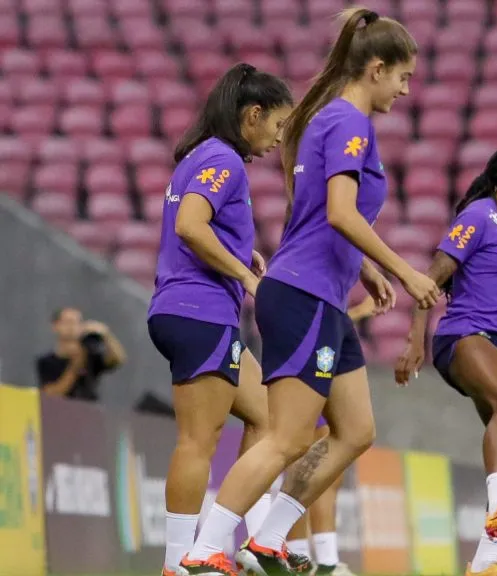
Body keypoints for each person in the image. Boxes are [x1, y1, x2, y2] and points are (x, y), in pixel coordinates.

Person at [182, 8, 439, 576]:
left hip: (321, 292)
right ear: (376, 68)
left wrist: (361, 266)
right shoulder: (349, 122)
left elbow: (315, 215)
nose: (406, 89)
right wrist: (401, 270)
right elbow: (342, 212)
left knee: (355, 431)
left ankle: (268, 540)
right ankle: (203, 551)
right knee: (287, 437)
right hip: (303, 295)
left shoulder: (327, 118)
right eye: (403, 77)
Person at [145, 62, 293, 576]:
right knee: (198, 441)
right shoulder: (223, 159)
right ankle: (176, 565)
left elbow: (197, 224)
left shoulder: (201, 156)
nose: (279, 138)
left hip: (194, 309)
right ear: (252, 115)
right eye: (277, 125)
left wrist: (240, 251)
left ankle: (239, 545)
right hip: (199, 311)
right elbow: (190, 225)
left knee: (269, 418)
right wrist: (246, 275)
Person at [395, 142, 497, 576]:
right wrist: (414, 341)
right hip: (463, 335)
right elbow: (432, 278)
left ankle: (485, 564)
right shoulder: (478, 216)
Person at [284, 295, 376, 576]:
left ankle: (321, 559)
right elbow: (315, 321)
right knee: (309, 468)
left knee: (325, 474)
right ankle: (306, 558)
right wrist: (361, 312)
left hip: (321, 365)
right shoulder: (300, 277)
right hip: (307, 367)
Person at [37, 307, 127, 400]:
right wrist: (75, 367)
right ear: (55, 326)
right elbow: (50, 395)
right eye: (68, 322)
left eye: (77, 323)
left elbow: (117, 359)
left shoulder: (90, 356)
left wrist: (106, 335)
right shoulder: (47, 361)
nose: (72, 327)